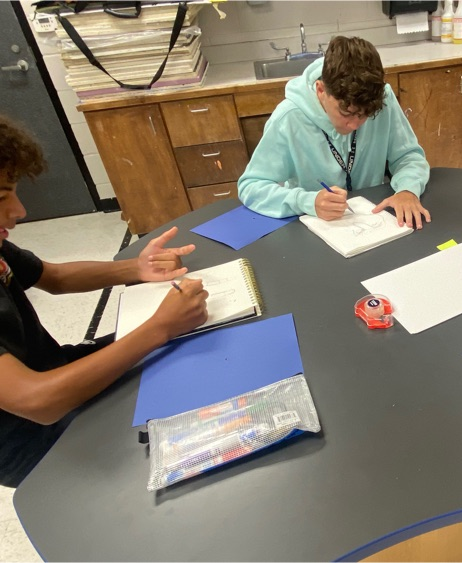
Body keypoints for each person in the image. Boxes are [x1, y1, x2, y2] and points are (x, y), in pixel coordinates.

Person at [0, 116, 209, 488]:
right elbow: (39, 402)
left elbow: (55, 277)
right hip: (30, 437)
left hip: (54, 370)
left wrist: (137, 267)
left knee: (187, 352)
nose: (19, 212)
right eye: (2, 197)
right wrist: (159, 327)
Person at [238, 36, 431, 229]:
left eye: (366, 115)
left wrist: (408, 190)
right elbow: (251, 186)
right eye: (346, 113)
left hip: (373, 219)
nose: (355, 124)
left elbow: (409, 157)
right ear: (321, 90)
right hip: (315, 226)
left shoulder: (383, 99)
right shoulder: (288, 118)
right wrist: (307, 201)